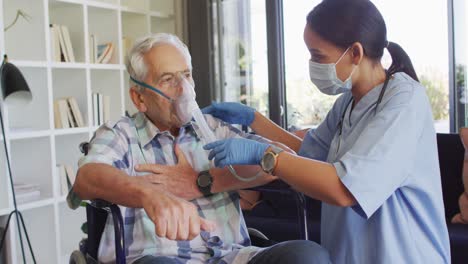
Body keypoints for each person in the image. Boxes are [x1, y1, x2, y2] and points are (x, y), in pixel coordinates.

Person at [202, 0, 451, 263]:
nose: (312, 64)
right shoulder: (348, 102)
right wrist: (253, 118)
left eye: (318, 56)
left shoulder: (403, 102)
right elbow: (308, 152)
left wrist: (267, 155)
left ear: (355, 53)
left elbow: (345, 189)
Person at [72, 33, 330, 264]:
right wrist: (148, 195)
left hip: (234, 256)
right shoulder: (121, 134)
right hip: (158, 258)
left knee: (308, 256)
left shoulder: (214, 128)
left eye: (186, 75)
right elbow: (87, 178)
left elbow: (284, 160)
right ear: (140, 98)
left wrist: (205, 180)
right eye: (168, 79)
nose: (184, 90)